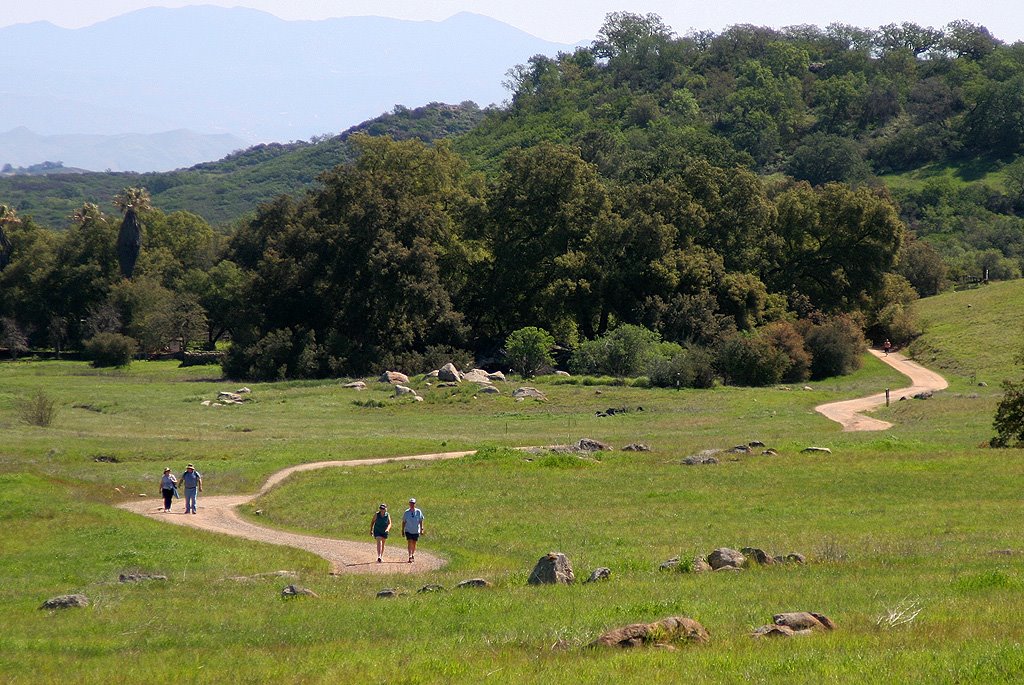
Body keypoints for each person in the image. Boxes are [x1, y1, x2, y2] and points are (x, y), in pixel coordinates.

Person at [402, 498, 424, 563]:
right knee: (409, 541)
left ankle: (413, 554)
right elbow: (404, 521)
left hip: (416, 530)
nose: (412, 505)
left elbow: (421, 520)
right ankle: (410, 555)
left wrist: (422, 529)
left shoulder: (418, 511)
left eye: (413, 503)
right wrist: (402, 530)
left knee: (414, 543)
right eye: (411, 503)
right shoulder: (406, 512)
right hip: (408, 529)